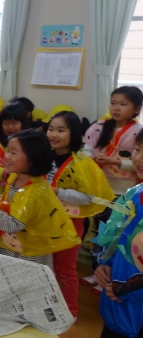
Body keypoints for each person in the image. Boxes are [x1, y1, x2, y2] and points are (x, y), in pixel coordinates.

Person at [75, 130, 143, 338]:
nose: (138, 160)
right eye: (137, 151)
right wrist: (102, 263)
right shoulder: (133, 194)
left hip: (135, 296)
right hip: (116, 292)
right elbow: (112, 234)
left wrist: (127, 287)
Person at [0, 129, 80, 268]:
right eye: (7, 150)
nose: (7, 156)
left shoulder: (35, 191)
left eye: (13, 153)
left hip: (29, 253)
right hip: (12, 245)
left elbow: (13, 225)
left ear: (32, 158)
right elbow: (10, 203)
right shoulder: (15, 177)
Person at [46, 110, 114, 317]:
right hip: (43, 220)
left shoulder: (82, 163)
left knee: (65, 269)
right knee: (44, 266)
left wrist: (57, 192)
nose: (54, 134)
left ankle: (70, 311)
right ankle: (45, 304)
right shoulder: (43, 156)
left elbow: (87, 198)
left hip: (69, 224)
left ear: (74, 134)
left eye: (61, 130)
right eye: (51, 129)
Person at [83, 86, 143, 286]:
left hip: (124, 193)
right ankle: (98, 270)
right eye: (113, 103)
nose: (116, 108)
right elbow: (86, 152)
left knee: (118, 235)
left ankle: (112, 277)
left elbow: (138, 164)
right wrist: (91, 160)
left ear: (137, 109)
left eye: (123, 104)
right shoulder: (99, 127)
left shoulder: (138, 132)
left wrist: (115, 162)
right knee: (100, 233)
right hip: (100, 189)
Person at [0, 102, 31, 199]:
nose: (10, 127)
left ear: (23, 123)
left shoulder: (29, 142)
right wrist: (4, 173)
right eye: (6, 123)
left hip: (20, 191)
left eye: (15, 123)